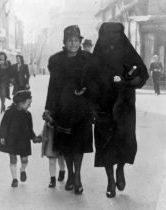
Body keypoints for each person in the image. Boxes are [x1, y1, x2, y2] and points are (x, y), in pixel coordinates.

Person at [93, 22, 149, 198]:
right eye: (108, 35)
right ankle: (110, 179)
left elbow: (142, 73)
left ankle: (120, 169)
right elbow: (88, 78)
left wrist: (129, 81)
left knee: (124, 142)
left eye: (115, 35)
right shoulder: (98, 54)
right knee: (105, 143)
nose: (111, 39)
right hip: (103, 106)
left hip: (124, 106)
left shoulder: (127, 50)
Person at [44, 25, 99, 195]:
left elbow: (96, 81)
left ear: (80, 42)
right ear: (64, 42)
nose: (73, 44)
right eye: (70, 41)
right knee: (66, 146)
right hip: (63, 109)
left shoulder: (88, 59)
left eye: (76, 40)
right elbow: (52, 86)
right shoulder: (56, 60)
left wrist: (86, 89)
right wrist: (49, 109)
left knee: (79, 145)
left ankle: (78, 177)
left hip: (83, 109)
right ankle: (70, 174)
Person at [0, 90, 40, 187]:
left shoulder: (28, 115)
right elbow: (4, 126)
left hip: (24, 141)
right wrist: (2, 136)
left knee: (25, 160)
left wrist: (34, 137)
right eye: (29, 103)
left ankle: (22, 170)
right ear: (21, 102)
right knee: (13, 158)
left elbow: (30, 129)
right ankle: (14, 179)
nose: (30, 105)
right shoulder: (9, 113)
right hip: (12, 139)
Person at [40, 122, 66, 188]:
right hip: (51, 139)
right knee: (52, 161)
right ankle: (52, 179)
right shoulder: (48, 114)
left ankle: (62, 171)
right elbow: (45, 128)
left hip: (61, 139)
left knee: (61, 159)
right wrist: (40, 136)